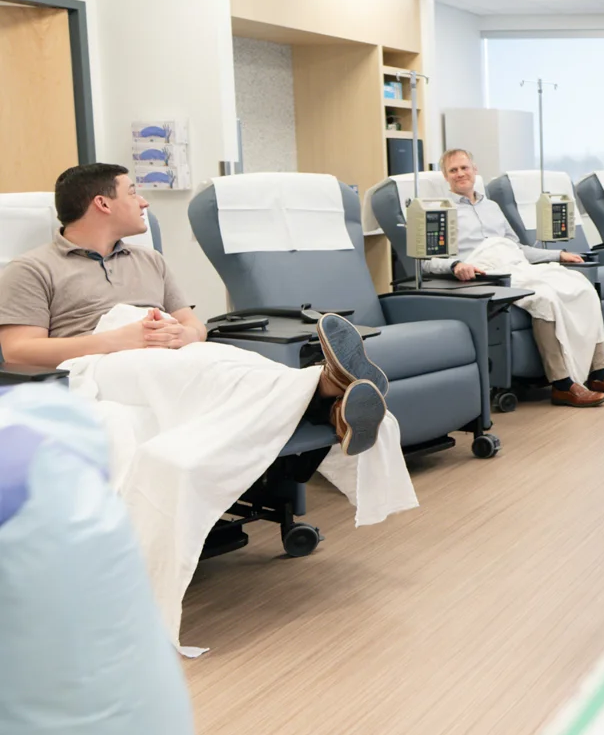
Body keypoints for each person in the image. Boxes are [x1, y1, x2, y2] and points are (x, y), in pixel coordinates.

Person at [0, 163, 415, 645]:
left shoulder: (150, 261)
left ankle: (326, 392)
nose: (144, 202)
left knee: (223, 359)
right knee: (207, 372)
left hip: (166, 354)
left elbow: (194, 325)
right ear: (102, 203)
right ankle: (324, 393)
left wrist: (185, 335)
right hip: (97, 364)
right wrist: (118, 339)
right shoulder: (32, 268)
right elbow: (17, 351)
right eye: (133, 192)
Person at [426, 149, 604, 408]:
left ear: (474, 170)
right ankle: (562, 385)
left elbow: (517, 247)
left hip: (515, 262)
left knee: (583, 287)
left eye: (464, 168)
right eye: (453, 170)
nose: (460, 174)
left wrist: (558, 254)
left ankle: (599, 373)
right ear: (445, 176)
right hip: (486, 271)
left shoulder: (492, 207)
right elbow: (427, 260)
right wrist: (455, 264)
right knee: (544, 297)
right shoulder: (439, 210)